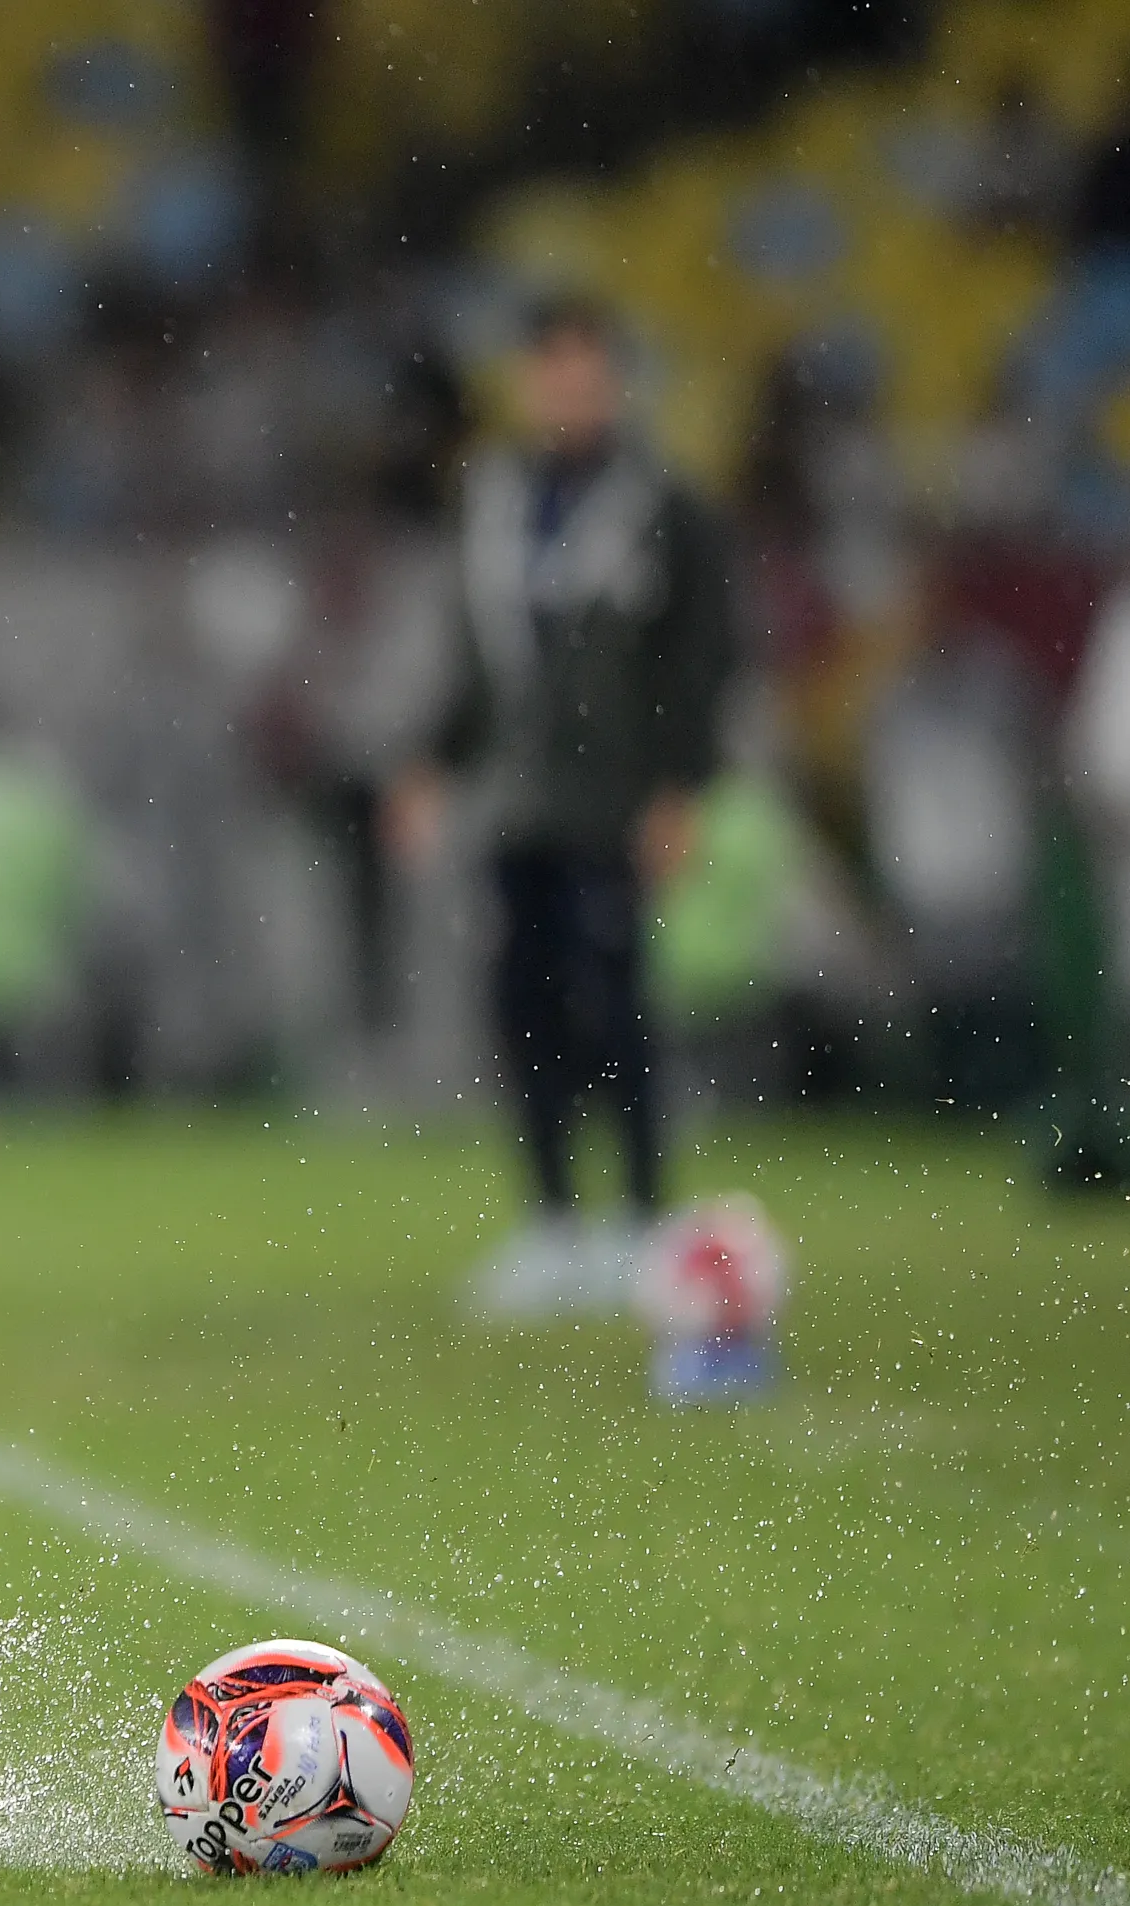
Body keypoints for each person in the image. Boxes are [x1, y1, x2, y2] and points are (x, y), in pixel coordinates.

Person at [393, 295, 737, 1313]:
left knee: (617, 1007)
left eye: (585, 373)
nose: (568, 392)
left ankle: (641, 1215)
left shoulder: (665, 505)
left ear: (615, 383)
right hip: (517, 800)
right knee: (524, 1007)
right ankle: (552, 1219)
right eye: (551, 371)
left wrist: (679, 786)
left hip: (614, 798)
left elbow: (700, 658)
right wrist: (433, 760)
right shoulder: (494, 496)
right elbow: (477, 658)